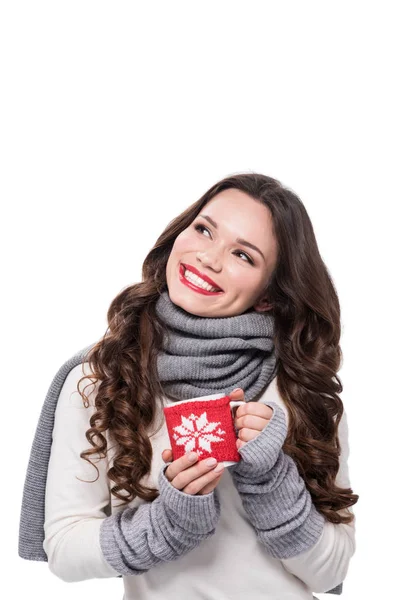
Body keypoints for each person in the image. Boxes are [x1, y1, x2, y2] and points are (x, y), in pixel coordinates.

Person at [20, 173, 358, 599]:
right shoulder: (99, 377)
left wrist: (272, 479)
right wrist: (169, 521)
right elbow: (65, 551)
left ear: (269, 295)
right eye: (203, 229)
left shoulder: (300, 391)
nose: (208, 258)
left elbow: (329, 574)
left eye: (243, 255)